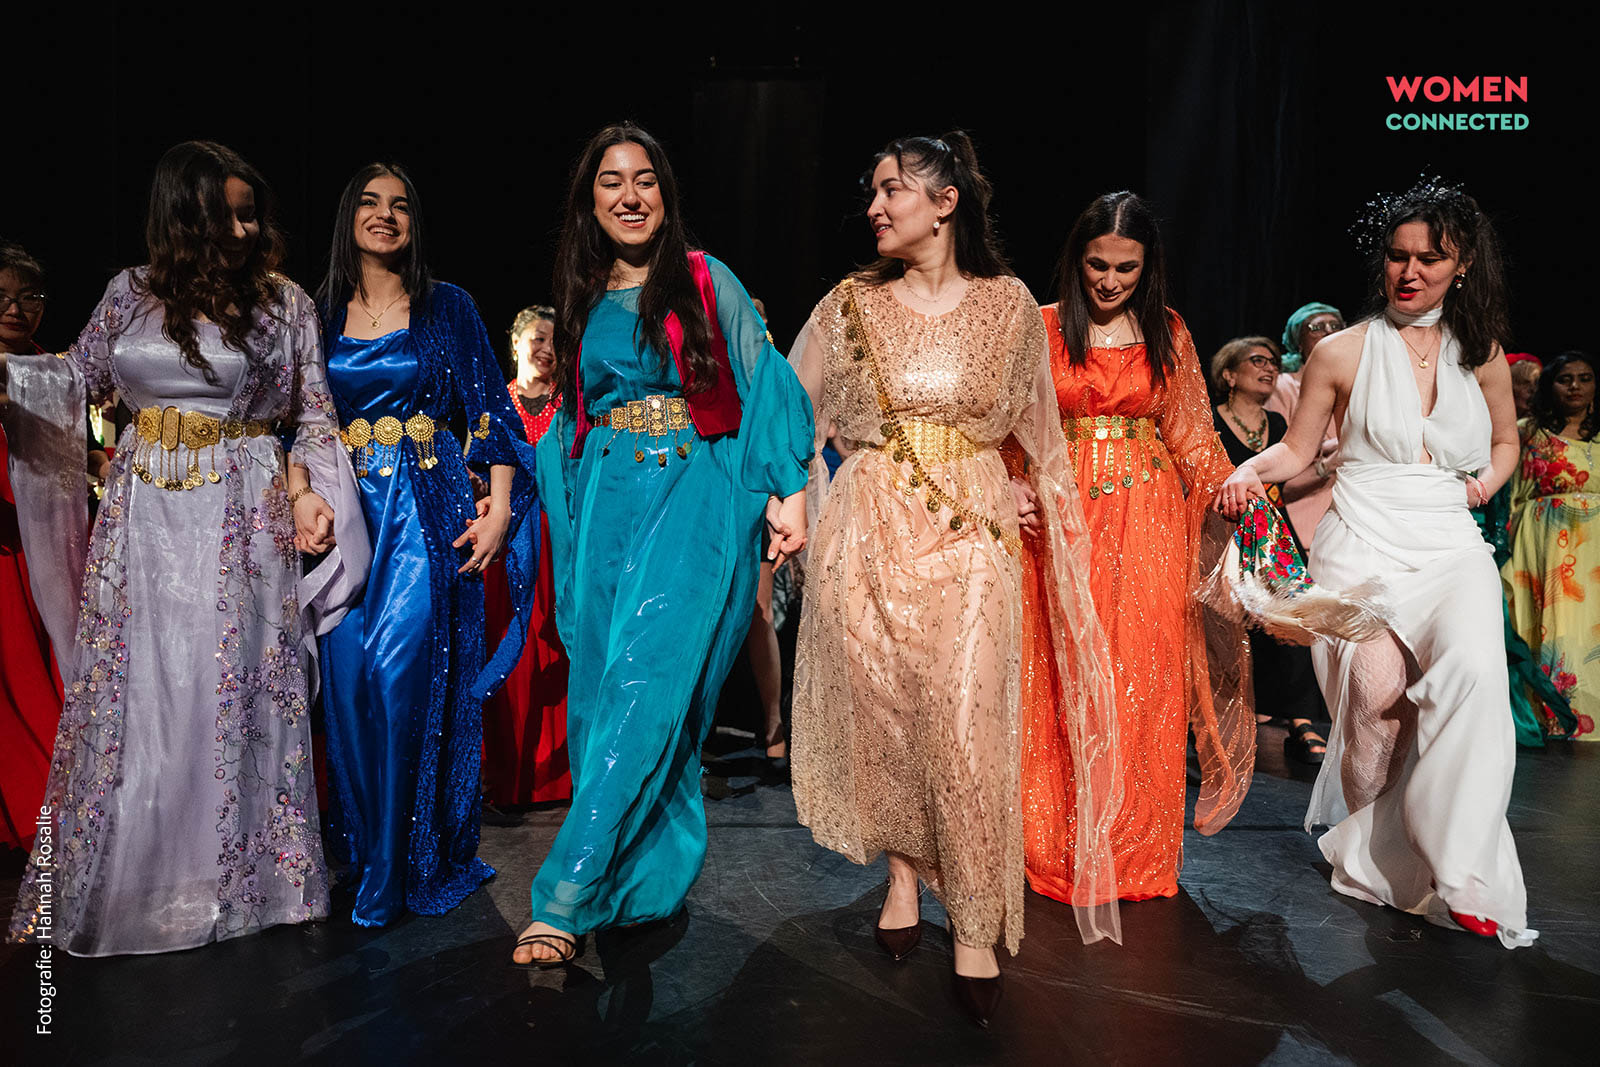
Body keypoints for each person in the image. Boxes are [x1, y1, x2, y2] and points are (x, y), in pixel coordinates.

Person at [3, 140, 366, 955]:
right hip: (142, 520)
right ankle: (139, 873)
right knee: (144, 691)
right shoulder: (128, 294)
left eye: (250, 215)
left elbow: (314, 414)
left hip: (240, 512)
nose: (242, 230)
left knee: (226, 686)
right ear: (180, 216)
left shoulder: (282, 304)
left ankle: (239, 878)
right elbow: (73, 379)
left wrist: (308, 492)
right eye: (224, 216)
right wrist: (9, 377)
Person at [790, 133, 1119, 1028]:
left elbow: (1038, 432)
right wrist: (796, 503)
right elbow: (789, 414)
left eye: (892, 189)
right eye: (872, 191)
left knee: (966, 723)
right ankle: (903, 877)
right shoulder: (848, 303)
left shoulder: (1008, 304)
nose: (874, 206)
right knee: (890, 715)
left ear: (946, 204)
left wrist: (1033, 495)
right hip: (867, 528)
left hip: (971, 529)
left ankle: (973, 918)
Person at [511, 123, 812, 968]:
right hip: (607, 502)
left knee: (647, 680)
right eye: (612, 182)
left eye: (644, 179)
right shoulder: (580, 295)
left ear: (665, 194)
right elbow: (570, 425)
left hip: (692, 493)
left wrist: (789, 490)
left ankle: (565, 893)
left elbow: (765, 378)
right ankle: (641, 880)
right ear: (590, 201)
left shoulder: (705, 279)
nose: (630, 196)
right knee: (610, 694)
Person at [1215, 178, 1537, 947]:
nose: (1410, 271)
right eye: (1397, 256)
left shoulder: (1482, 353)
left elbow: (1505, 439)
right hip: (1361, 532)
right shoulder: (1341, 351)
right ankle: (1375, 859)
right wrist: (1248, 470)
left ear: (1462, 264)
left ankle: (1460, 865)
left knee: (1476, 678)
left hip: (1449, 538)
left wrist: (1483, 485)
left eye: (1430, 258)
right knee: (1376, 704)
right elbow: (1298, 449)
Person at [315, 162, 536, 926]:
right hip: (346, 513)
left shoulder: (449, 306)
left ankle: (394, 871)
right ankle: (369, 850)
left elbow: (491, 411)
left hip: (422, 506)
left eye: (400, 205)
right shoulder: (317, 313)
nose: (385, 214)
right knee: (348, 686)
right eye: (370, 202)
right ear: (348, 217)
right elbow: (294, 415)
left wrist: (498, 509)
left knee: (398, 676)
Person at [1020, 191, 1249, 912]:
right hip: (1063, 518)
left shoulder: (1167, 330)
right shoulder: (1042, 326)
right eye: (1098, 264)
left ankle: (1132, 851)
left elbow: (1192, 434)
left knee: (1140, 677)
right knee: (1060, 673)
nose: (1111, 280)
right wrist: (1011, 487)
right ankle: (1057, 846)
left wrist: (1233, 491)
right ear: (1076, 259)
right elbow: (1012, 427)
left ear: (1147, 268)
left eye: (1127, 267)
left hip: (1149, 520)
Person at [1209, 336, 1327, 763]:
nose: (1269, 368)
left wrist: (1327, 463)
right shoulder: (1211, 420)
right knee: (1226, 628)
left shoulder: (1278, 424)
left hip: (1273, 531)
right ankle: (1223, 719)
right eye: (1256, 360)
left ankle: (1300, 719)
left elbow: (1292, 472)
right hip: (1224, 531)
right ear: (1229, 374)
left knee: (1292, 619)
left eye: (1273, 362)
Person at [482, 305, 572, 807]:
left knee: (557, 645)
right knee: (509, 649)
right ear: (515, 343)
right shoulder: (496, 404)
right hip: (510, 542)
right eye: (537, 338)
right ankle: (508, 773)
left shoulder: (571, 403)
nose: (546, 349)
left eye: (554, 341)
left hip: (559, 540)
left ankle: (558, 776)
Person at [0, 243, 63, 853]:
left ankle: (51, 816)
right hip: (3, 544)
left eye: (29, 298)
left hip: (42, 544)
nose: (16, 309)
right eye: (2, 297)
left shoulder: (55, 371)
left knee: (43, 680)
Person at [1503, 349, 1600, 740]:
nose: (1575, 386)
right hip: (1542, 545)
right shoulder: (1527, 431)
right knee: (1549, 629)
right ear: (1550, 385)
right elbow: (1511, 493)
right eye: (1565, 379)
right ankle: (1549, 715)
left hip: (1593, 550)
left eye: (1584, 378)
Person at [1267, 302, 1345, 550]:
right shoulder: (1284, 386)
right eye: (1317, 327)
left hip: (1350, 498)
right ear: (1298, 342)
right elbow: (1280, 445)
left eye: (1335, 326)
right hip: (1305, 496)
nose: (1329, 331)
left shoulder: (1356, 383)